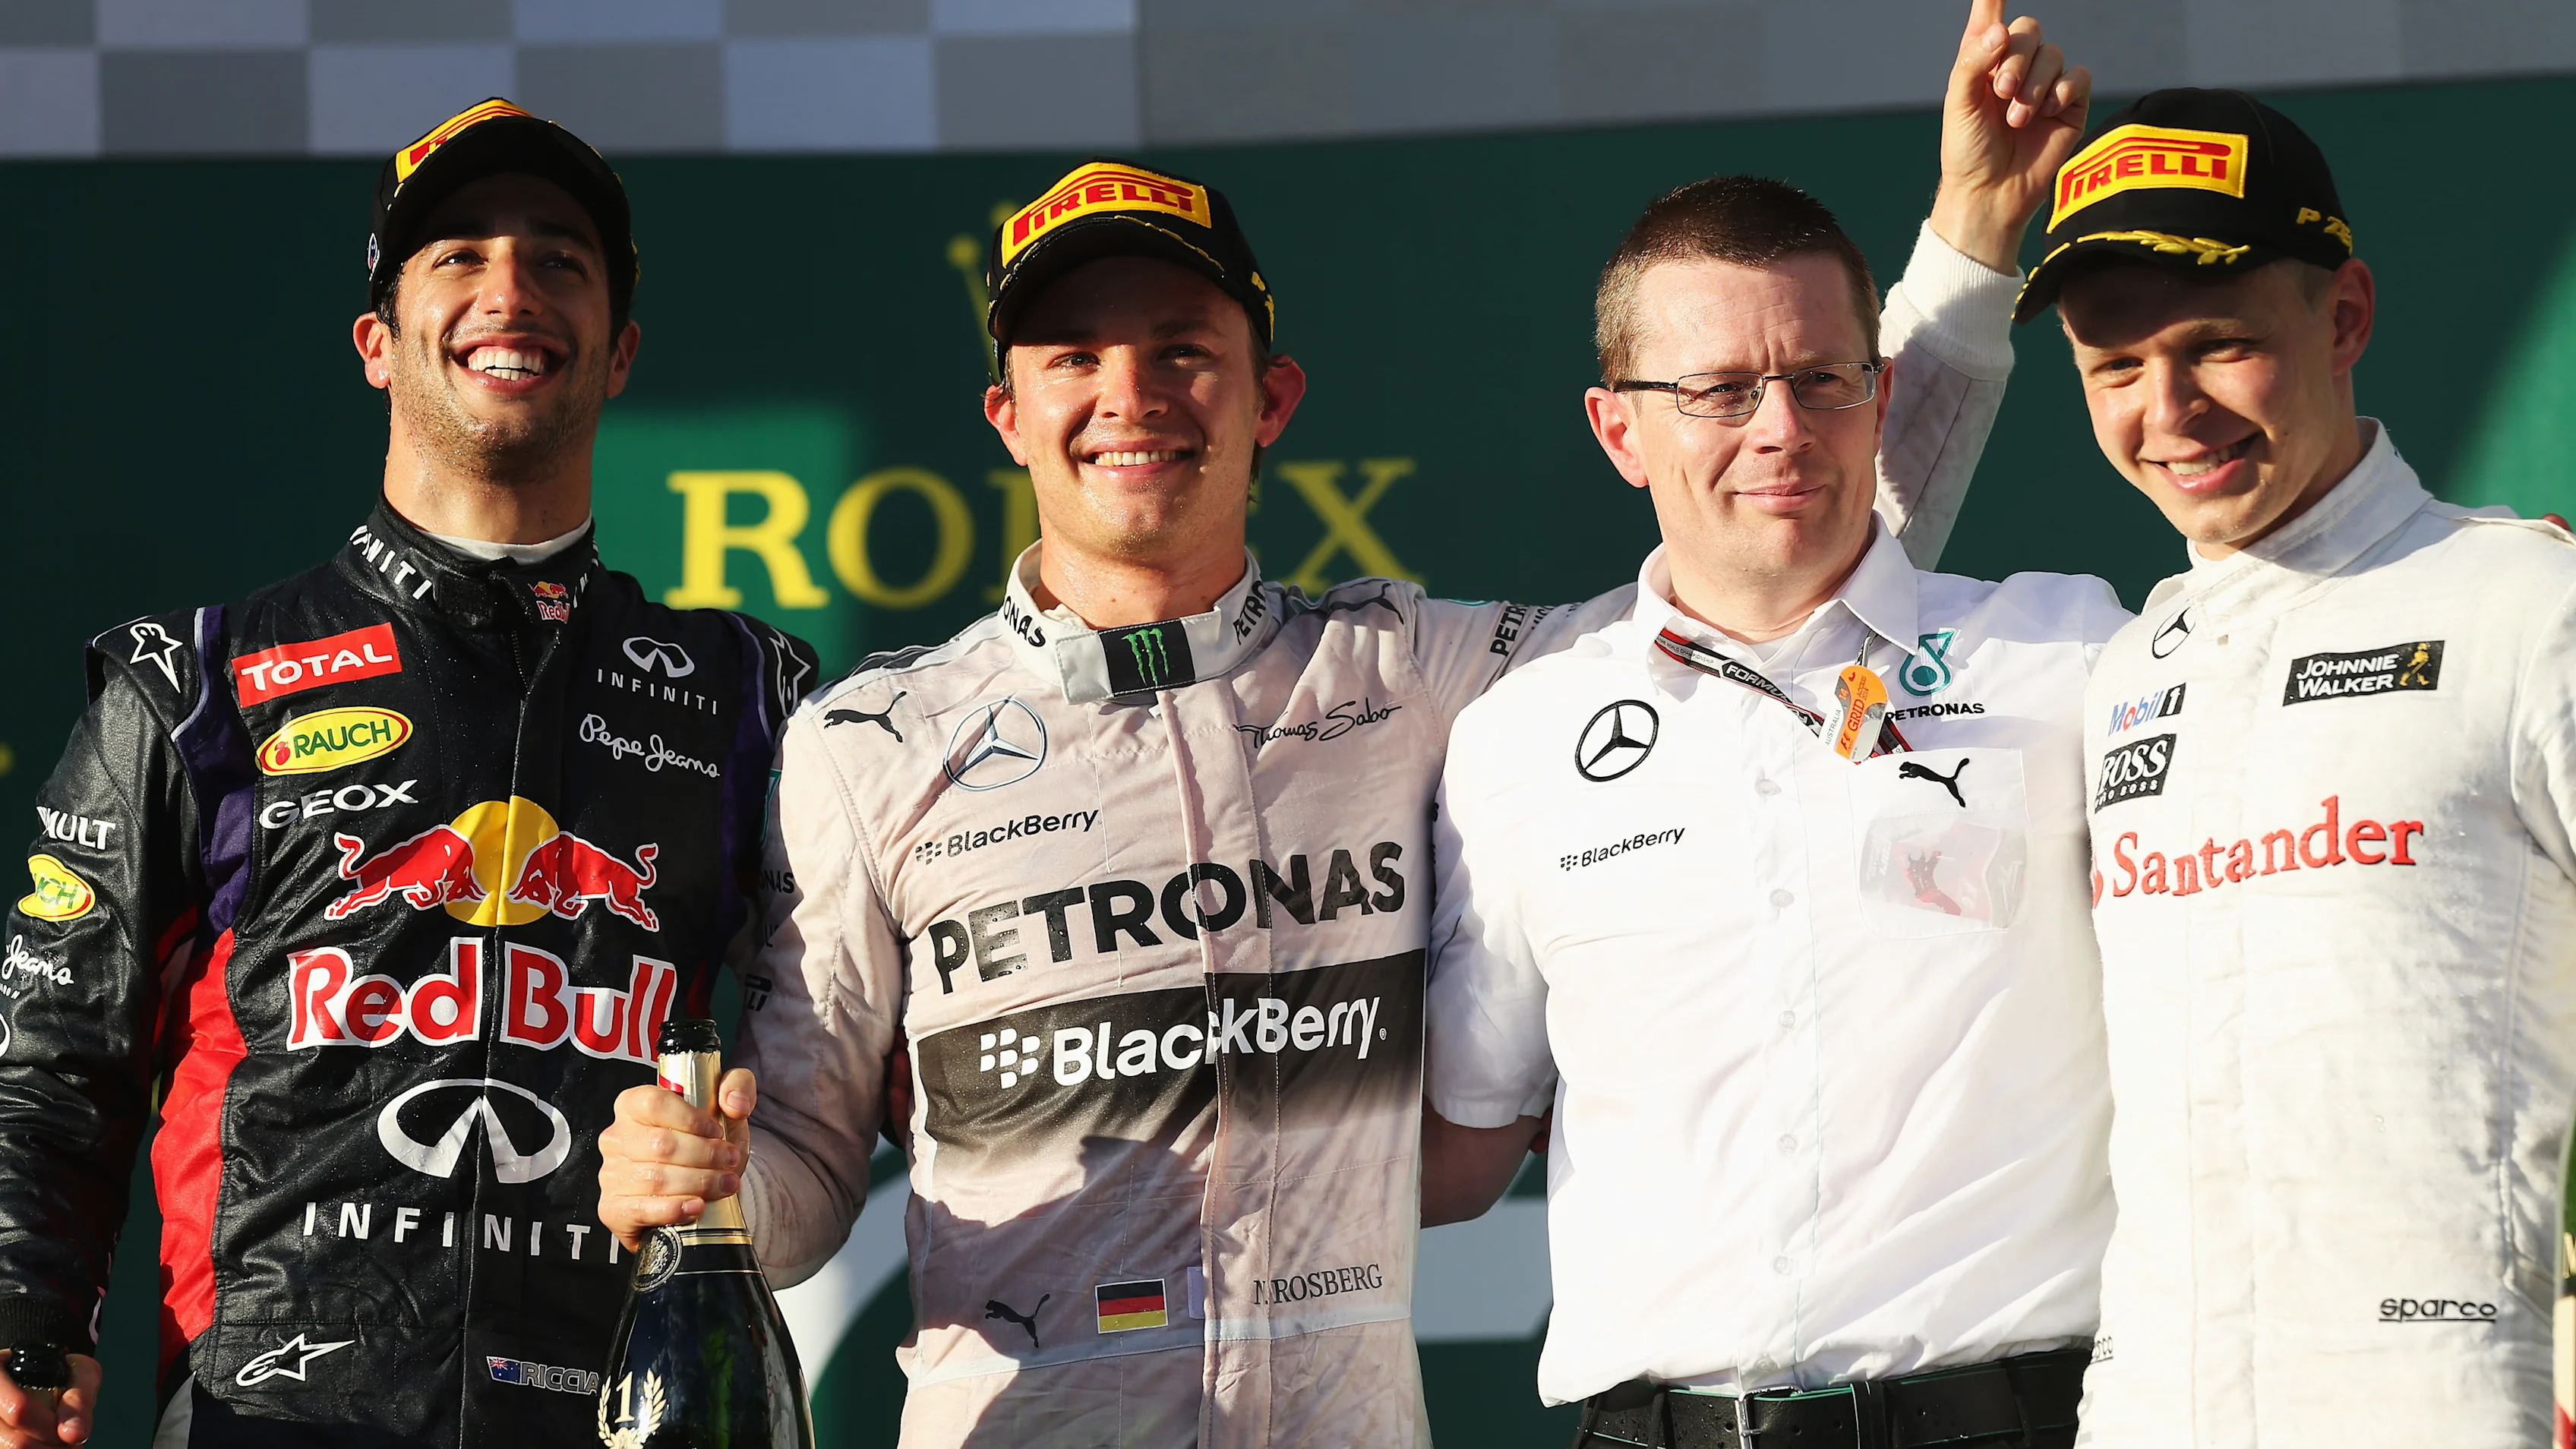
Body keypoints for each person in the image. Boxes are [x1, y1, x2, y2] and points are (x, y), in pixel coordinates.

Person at [595, 5, 2084, 1441]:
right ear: (1007, 415)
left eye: (1184, 349)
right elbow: (798, 1175)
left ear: (1274, 400)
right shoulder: (872, 745)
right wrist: (703, 1185)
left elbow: (1783, 540)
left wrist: (1968, 239)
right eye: (1074, 357)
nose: (1132, 395)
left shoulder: (1426, 678)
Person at [0, 99, 816, 1449]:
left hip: (617, 1409)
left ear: (619, 351)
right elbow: (50, 1053)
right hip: (274, 1411)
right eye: (459, 256)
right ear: (377, 343)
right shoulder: (199, 680)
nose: (512, 290)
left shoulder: (744, 695)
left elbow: (844, 1055)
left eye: (560, 260)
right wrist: (26, 1316)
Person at [1417, 31, 2114, 1449]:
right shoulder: (1520, 738)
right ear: (1619, 432)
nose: (1781, 428)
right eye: (1719, 391)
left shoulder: (2070, 655)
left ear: (1880, 397)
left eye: (1821, 379)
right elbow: (1463, 1145)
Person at [2014, 87, 2576, 1448]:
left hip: (2457, 1404)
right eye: (2113, 368)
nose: (2169, 412)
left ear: (2345, 317)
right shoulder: (2121, 669)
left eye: (2218, 345)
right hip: (2152, 1410)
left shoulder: (2526, 604)